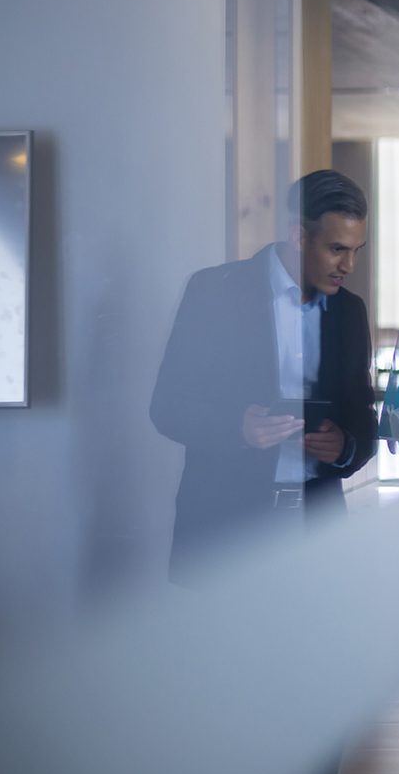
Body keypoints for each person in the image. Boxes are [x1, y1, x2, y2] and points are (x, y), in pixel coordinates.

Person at [151, 170, 375, 582]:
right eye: (337, 249)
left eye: (357, 250)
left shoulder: (349, 310)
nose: (349, 265)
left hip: (318, 538)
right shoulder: (214, 291)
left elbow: (362, 414)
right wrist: (238, 427)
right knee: (224, 648)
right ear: (298, 235)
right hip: (227, 535)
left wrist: (345, 446)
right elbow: (167, 406)